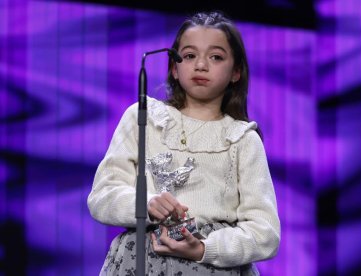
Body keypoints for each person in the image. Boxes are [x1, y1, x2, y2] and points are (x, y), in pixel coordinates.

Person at [88, 11, 280, 276]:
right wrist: (146, 204)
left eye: (216, 57)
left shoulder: (242, 139)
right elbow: (102, 196)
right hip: (140, 262)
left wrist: (204, 248)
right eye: (189, 56)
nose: (201, 65)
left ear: (236, 71)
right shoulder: (143, 118)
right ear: (173, 68)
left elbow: (265, 232)